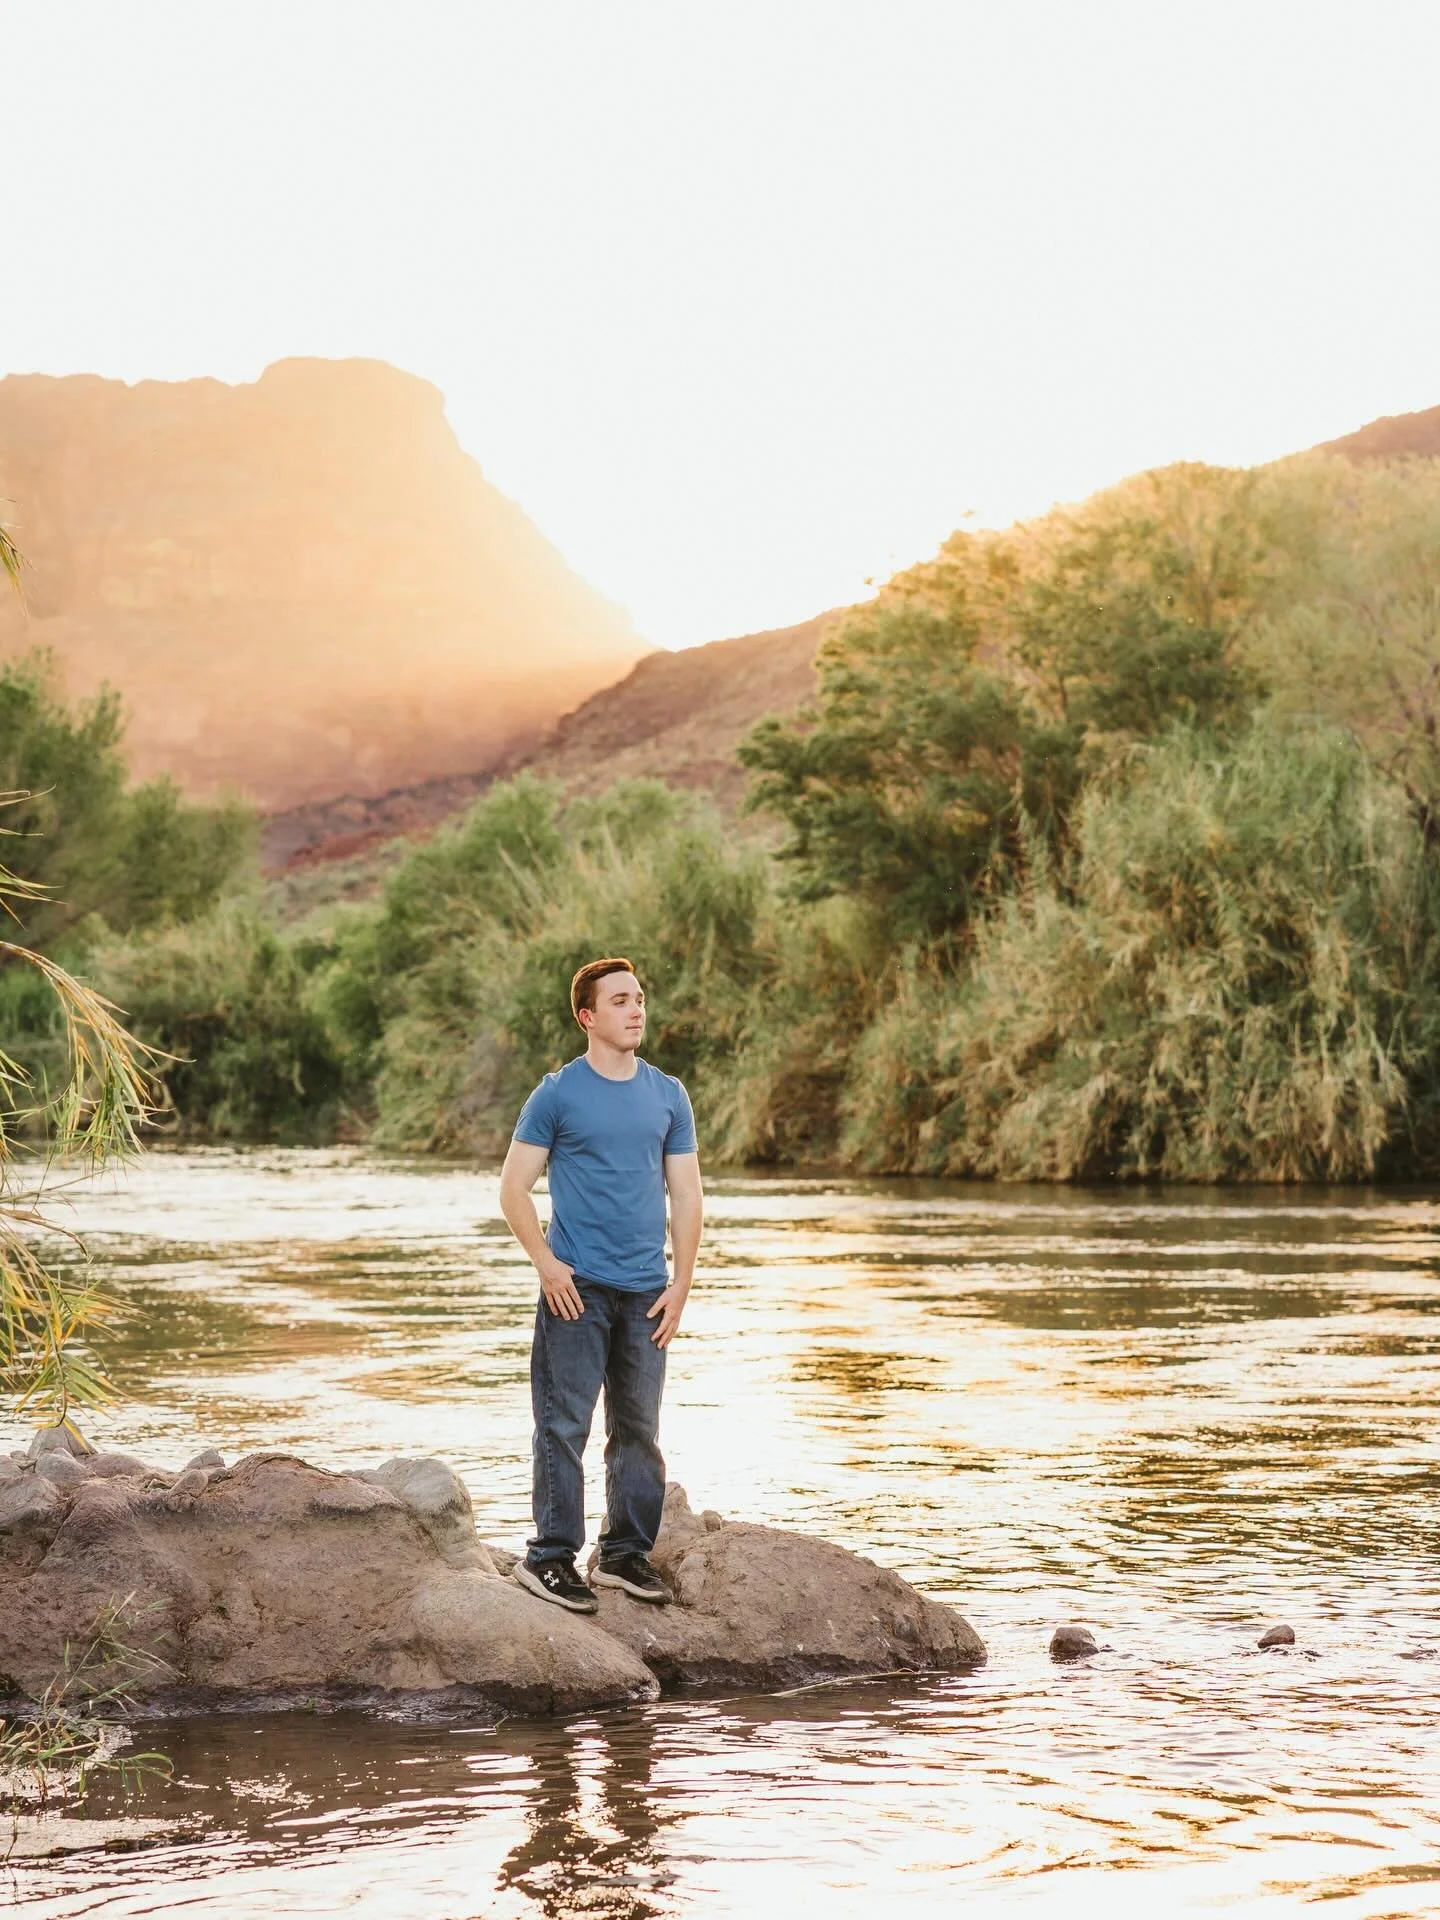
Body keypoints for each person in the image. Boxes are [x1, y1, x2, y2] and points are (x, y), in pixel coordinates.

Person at [498, 956, 704, 1613]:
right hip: (576, 1288)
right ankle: (551, 1559)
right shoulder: (557, 1094)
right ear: (588, 1016)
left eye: (639, 998)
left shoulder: (668, 1094)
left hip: (648, 1290)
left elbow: (688, 1195)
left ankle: (623, 1555)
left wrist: (683, 1282)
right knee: (563, 1425)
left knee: (639, 1427)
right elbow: (512, 1189)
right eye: (619, 1000)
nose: (636, 1009)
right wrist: (547, 1264)